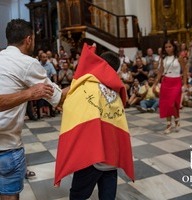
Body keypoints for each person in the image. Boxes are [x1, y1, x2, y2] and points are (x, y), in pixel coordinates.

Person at [54, 43, 134, 200]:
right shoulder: (116, 91)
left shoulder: (87, 86)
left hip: (91, 157)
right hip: (111, 157)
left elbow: (73, 109)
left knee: (77, 196)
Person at [0, 19, 68, 200]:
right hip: (6, 148)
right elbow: (58, 97)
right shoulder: (27, 63)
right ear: (28, 39)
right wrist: (80, 81)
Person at [153, 39, 187, 134]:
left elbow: (184, 71)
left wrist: (185, 84)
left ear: (174, 47)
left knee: (172, 103)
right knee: (167, 104)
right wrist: (155, 83)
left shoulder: (179, 57)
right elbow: (160, 71)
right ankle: (169, 124)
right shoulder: (164, 58)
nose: (168, 49)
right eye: (166, 47)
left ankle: (176, 120)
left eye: (170, 46)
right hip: (166, 82)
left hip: (176, 82)